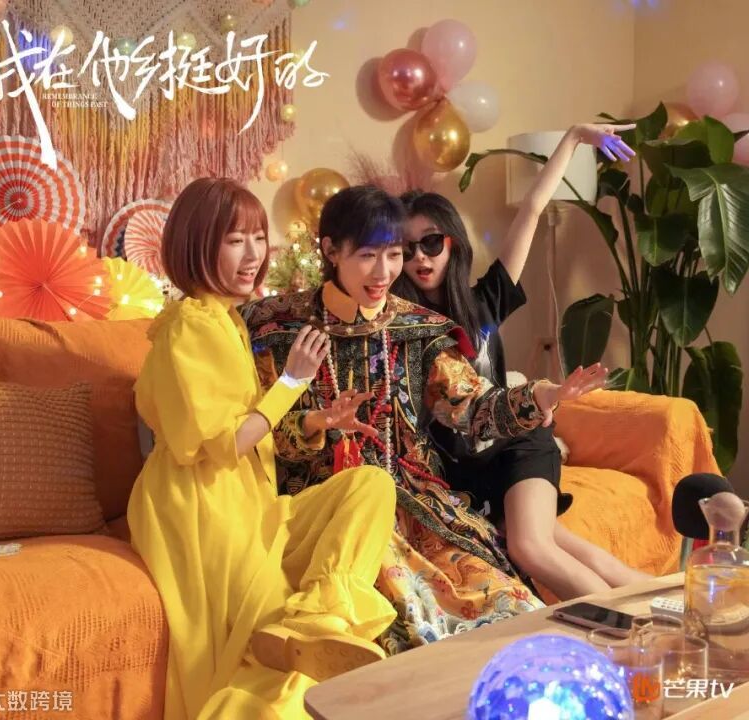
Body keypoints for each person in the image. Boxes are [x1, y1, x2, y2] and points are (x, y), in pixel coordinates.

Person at [241, 184, 607, 653]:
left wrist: (544, 395)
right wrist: (315, 423)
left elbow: (473, 408)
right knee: (402, 626)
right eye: (368, 255)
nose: (384, 272)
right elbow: (258, 435)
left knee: (511, 609)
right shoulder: (273, 329)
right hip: (329, 506)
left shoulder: (417, 330)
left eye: (393, 254)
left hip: (419, 506)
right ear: (331, 251)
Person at [127, 177, 398, 720]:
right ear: (197, 246)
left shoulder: (223, 319)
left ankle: (319, 619)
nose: (253, 255)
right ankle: (286, 660)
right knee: (265, 651)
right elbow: (225, 442)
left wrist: (318, 418)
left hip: (247, 498)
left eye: (257, 238)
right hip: (201, 505)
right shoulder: (190, 327)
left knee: (370, 485)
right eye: (235, 241)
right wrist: (293, 382)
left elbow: (247, 427)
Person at [392, 124, 655, 601]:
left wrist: (571, 140)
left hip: (518, 444)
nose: (419, 258)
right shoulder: (401, 327)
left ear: (452, 242)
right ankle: (672, 602)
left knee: (531, 546)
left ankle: (627, 625)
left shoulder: (484, 302)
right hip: (464, 473)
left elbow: (532, 209)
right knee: (562, 543)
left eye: (431, 243)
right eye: (406, 249)